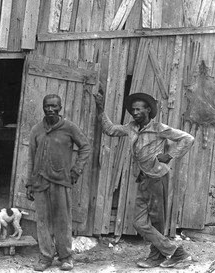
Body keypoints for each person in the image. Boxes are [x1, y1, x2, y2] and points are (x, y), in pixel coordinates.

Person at [93, 89, 194, 268]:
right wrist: (100, 108)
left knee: (157, 221)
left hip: (157, 177)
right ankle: (176, 252)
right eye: (133, 109)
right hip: (142, 178)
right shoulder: (131, 128)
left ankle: (158, 256)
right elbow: (110, 129)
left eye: (139, 109)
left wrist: (170, 155)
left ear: (148, 110)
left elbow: (188, 138)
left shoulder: (159, 129)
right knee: (139, 223)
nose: (135, 112)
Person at [26, 94, 92, 271]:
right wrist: (29, 183)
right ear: (43, 107)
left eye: (54, 106)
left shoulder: (69, 128)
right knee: (42, 221)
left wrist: (76, 170)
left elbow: (85, 147)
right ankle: (45, 257)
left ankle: (66, 257)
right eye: (47, 106)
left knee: (62, 220)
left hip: (61, 181)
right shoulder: (36, 130)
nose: (50, 109)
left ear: (60, 108)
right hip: (40, 182)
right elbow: (31, 158)